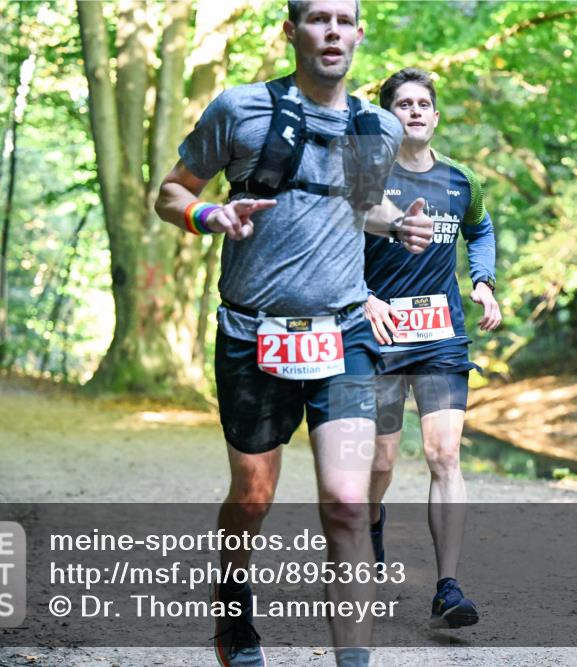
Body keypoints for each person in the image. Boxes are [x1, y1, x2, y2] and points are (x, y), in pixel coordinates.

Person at [153, 2, 433, 665]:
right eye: (317, 19)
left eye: (345, 19)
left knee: (344, 501)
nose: (332, 31)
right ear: (291, 31)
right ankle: (233, 607)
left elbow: (361, 204)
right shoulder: (239, 109)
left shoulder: (379, 127)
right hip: (253, 333)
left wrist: (398, 225)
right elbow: (171, 191)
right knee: (253, 497)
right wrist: (209, 212)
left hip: (342, 332)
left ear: (360, 34)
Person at [361, 68, 501, 630]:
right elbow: (335, 240)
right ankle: (369, 529)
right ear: (387, 117)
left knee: (445, 456)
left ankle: (447, 586)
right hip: (380, 335)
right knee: (381, 461)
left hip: (441, 335)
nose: (415, 110)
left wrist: (484, 281)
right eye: (403, 103)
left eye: (423, 103)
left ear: (435, 116)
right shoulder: (365, 179)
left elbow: (482, 229)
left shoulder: (460, 180)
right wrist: (362, 296)